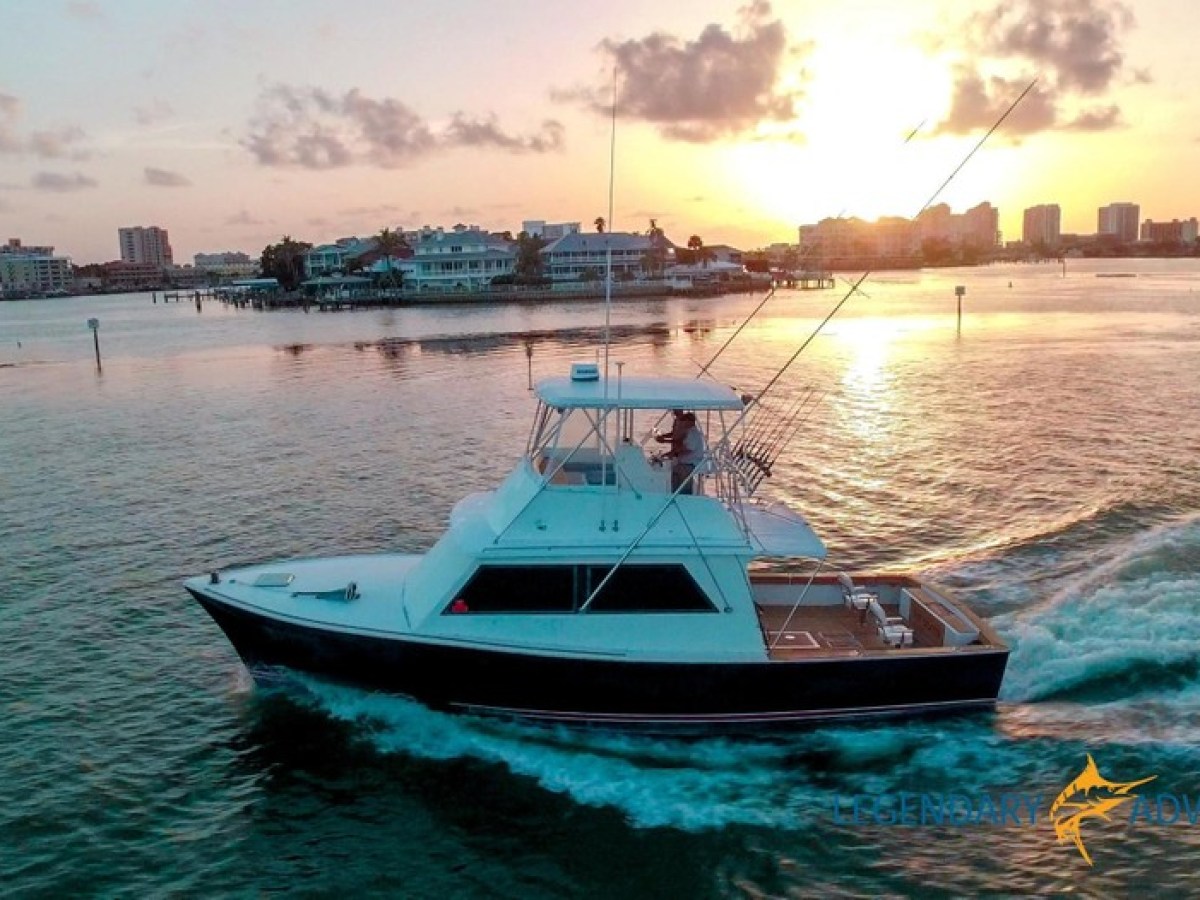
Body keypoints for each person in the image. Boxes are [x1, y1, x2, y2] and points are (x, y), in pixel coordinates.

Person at [658, 410, 705, 494]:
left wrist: (673, 453)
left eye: (684, 421)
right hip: (684, 462)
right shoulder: (688, 432)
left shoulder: (693, 433)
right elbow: (679, 442)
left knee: (678, 473)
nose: (682, 423)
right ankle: (674, 493)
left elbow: (687, 449)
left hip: (690, 463)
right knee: (673, 471)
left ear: (690, 422)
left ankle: (684, 495)